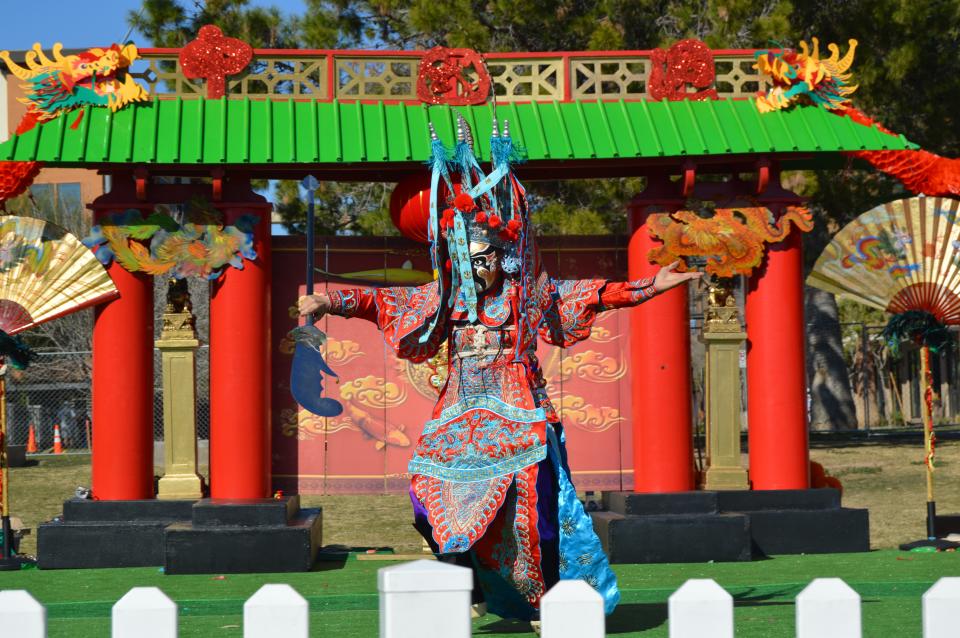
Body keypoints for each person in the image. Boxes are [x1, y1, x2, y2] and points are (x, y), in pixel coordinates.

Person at [297, 117, 701, 626]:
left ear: (504, 256)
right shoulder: (445, 299)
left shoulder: (527, 296)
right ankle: (469, 584)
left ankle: (544, 599)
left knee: (533, 511)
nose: (474, 267)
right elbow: (381, 300)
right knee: (427, 493)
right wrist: (328, 299)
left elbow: (592, 295)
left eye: (483, 256)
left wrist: (651, 285)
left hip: (520, 411)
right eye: (464, 256)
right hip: (459, 411)